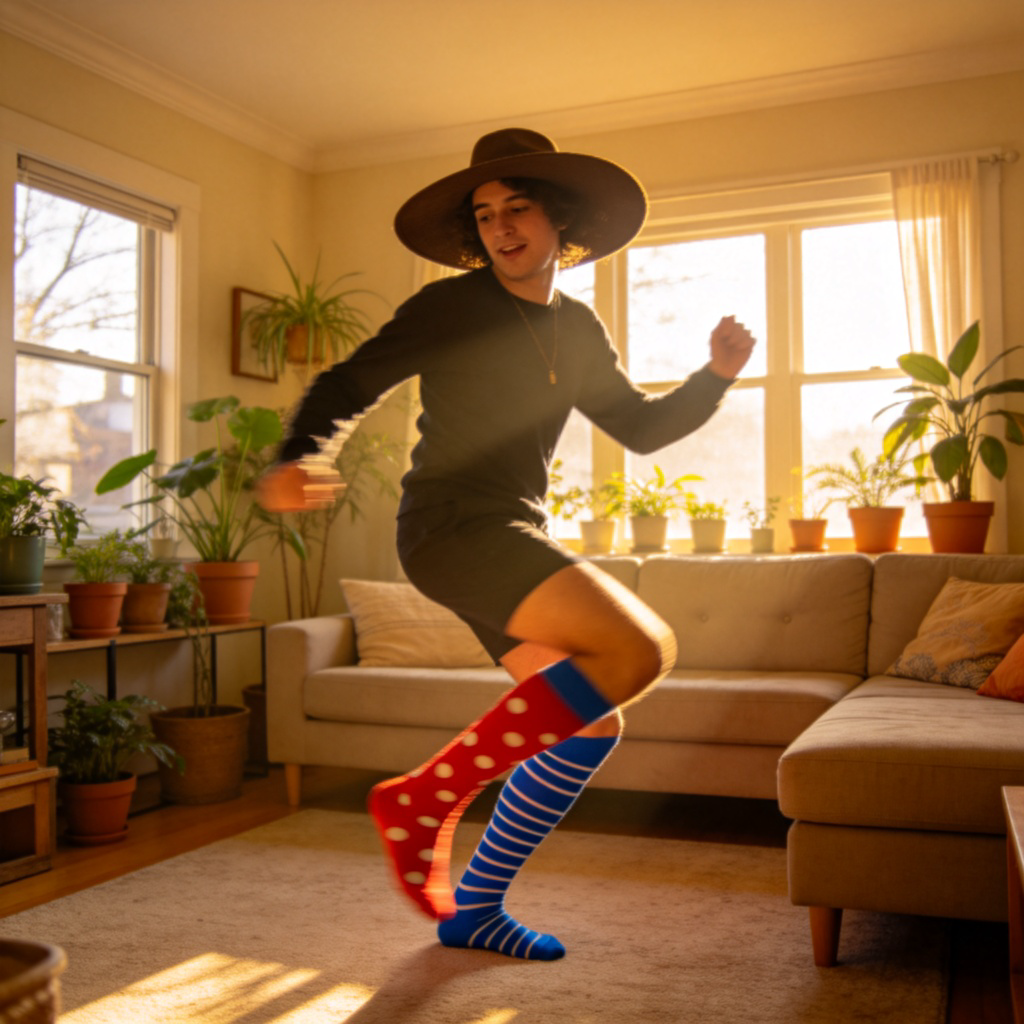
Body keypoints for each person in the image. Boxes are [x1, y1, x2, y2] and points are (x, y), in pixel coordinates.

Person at [257, 128, 756, 961]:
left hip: (508, 527)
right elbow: (350, 383)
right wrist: (298, 458)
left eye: (518, 208)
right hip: (453, 525)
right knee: (643, 648)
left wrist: (716, 376)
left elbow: (638, 428)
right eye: (485, 215)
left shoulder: (579, 327)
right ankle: (425, 800)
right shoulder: (450, 307)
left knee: (592, 723)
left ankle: (475, 909)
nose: (500, 227)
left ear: (561, 222)